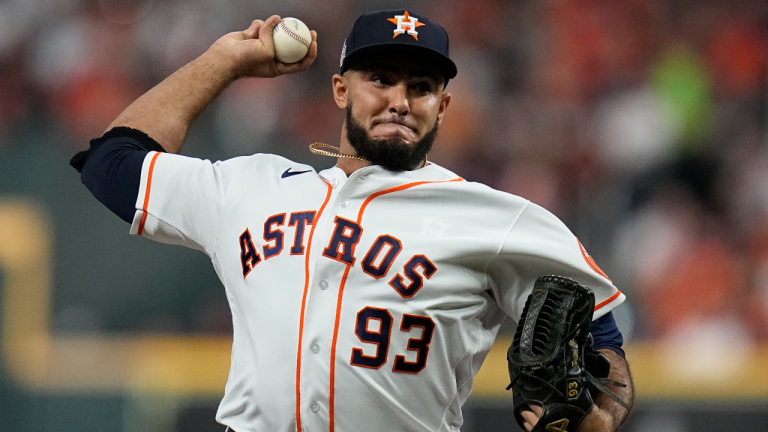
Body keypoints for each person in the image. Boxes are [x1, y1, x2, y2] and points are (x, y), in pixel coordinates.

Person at [72, 10, 634, 432]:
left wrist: (599, 418)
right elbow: (112, 163)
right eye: (380, 79)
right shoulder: (251, 188)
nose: (400, 100)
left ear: (443, 105)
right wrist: (224, 62)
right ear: (341, 88)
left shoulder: (496, 219)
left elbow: (604, 347)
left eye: (421, 88)